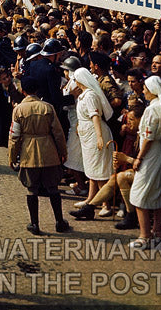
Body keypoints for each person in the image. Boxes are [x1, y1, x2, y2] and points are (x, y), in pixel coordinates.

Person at [8, 75, 71, 235]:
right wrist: (63, 152)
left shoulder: (18, 110)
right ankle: (59, 222)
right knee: (53, 187)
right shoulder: (47, 108)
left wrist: (12, 156)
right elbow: (58, 133)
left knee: (32, 189)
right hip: (49, 151)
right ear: (37, 90)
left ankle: (35, 224)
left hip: (28, 153)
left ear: (23, 91)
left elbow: (14, 137)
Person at [128, 75, 161, 249]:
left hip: (150, 155)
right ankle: (156, 232)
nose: (143, 91)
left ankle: (145, 235)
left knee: (140, 194)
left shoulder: (152, 109)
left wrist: (139, 158)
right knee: (156, 193)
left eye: (145, 89)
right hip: (160, 153)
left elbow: (148, 138)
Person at [68, 68, 114, 219]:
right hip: (87, 136)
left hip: (95, 134)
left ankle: (105, 204)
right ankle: (91, 199)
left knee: (99, 169)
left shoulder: (90, 96)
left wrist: (99, 136)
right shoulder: (83, 96)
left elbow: (95, 116)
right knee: (91, 168)